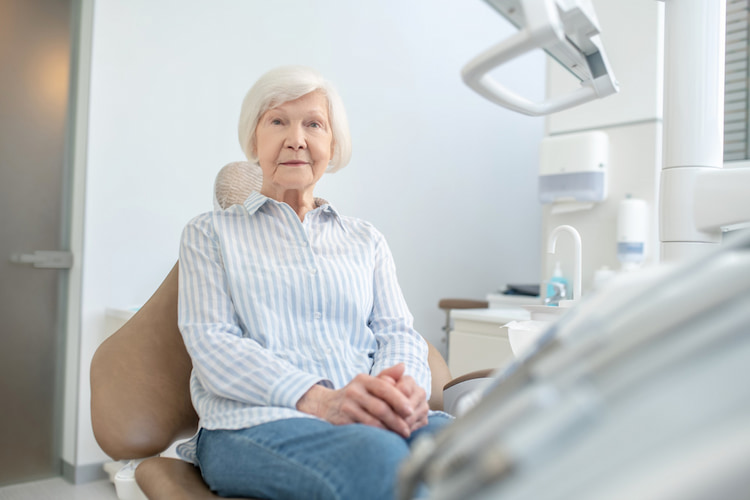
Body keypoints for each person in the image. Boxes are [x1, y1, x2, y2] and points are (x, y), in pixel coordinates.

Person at [176, 65, 451, 499]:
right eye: (278, 121)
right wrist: (323, 401)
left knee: (462, 448)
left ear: (332, 144)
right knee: (379, 459)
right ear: (254, 140)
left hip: (366, 418)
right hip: (254, 424)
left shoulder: (366, 239)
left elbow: (397, 333)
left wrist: (400, 394)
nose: (296, 139)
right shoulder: (208, 233)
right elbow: (213, 344)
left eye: (313, 124)